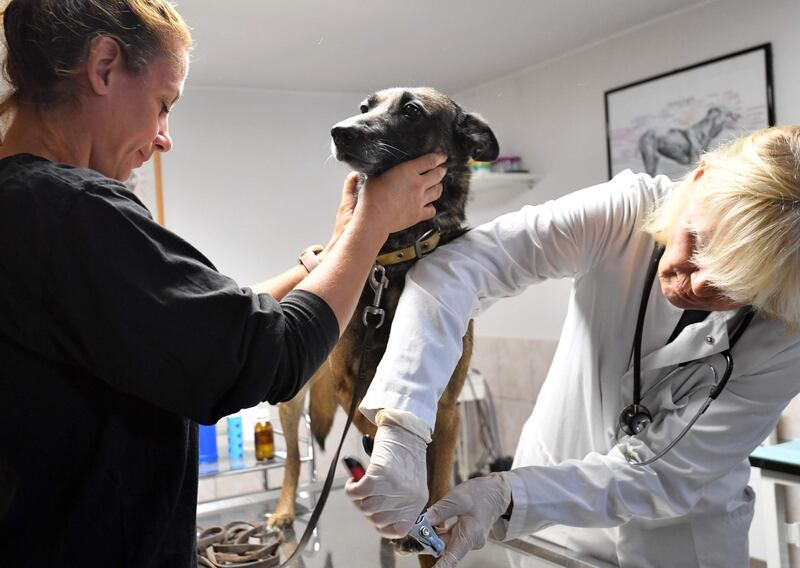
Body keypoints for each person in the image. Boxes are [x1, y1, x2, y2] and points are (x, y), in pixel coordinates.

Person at [0, 1, 447, 566]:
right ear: (106, 65)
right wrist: (371, 227)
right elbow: (268, 355)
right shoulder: (69, 209)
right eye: (163, 106)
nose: (164, 138)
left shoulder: (20, 207)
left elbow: (214, 320)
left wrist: (334, 253)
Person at [346, 125, 800, 567]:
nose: (694, 284)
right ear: (699, 178)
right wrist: (403, 422)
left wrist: (507, 495)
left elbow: (659, 475)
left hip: (685, 534)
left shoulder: (788, 331)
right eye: (697, 244)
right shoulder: (627, 209)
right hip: (553, 511)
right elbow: (459, 269)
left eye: (735, 283)